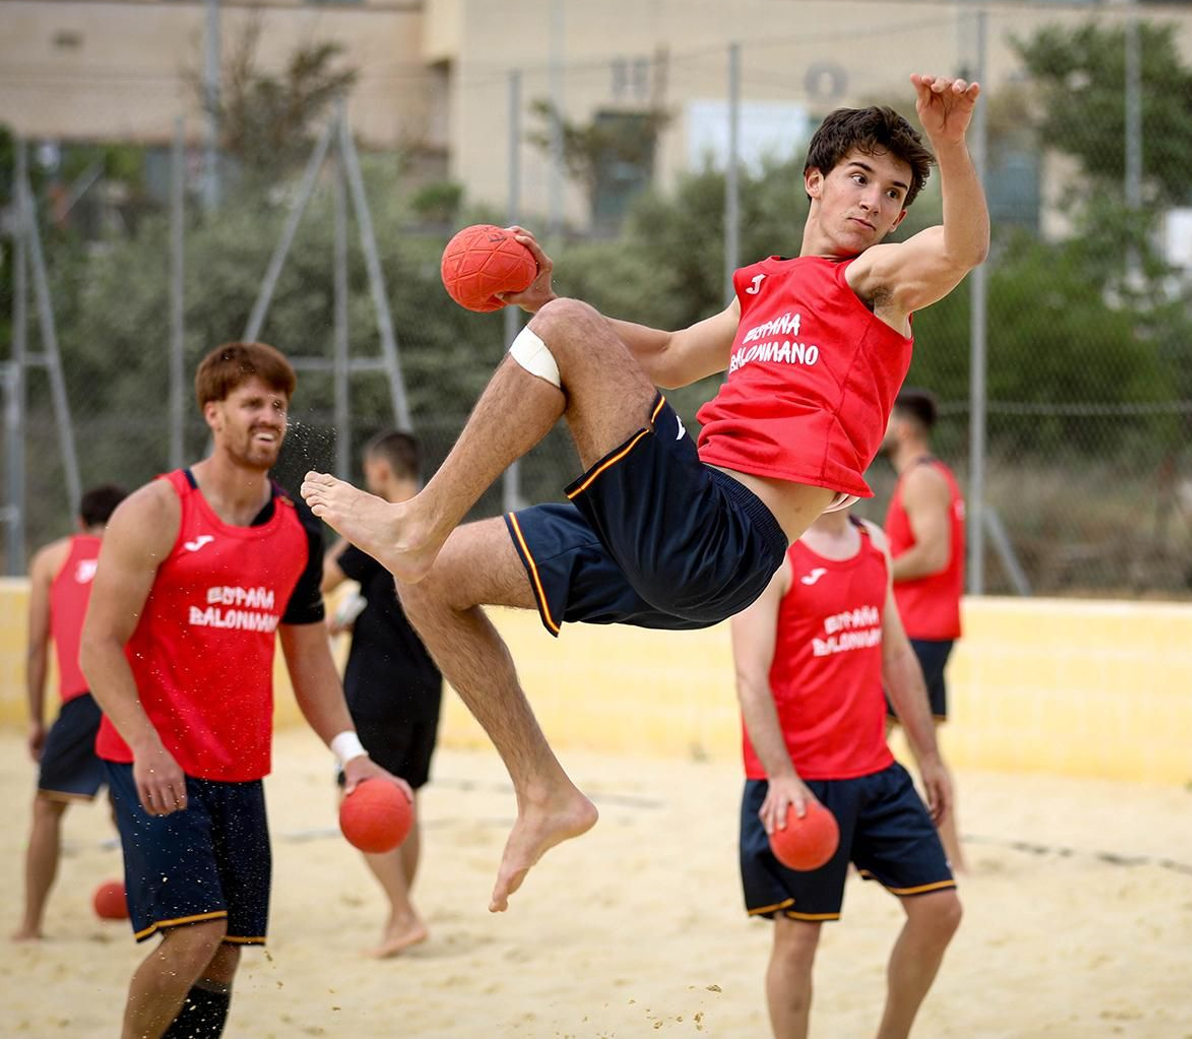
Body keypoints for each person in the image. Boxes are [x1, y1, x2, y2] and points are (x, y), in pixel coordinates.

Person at [301, 74, 989, 912]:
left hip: (724, 535)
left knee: (559, 341)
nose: (876, 202)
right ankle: (545, 791)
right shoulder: (770, 290)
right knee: (428, 583)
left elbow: (960, 250)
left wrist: (949, 147)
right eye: (860, 177)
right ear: (815, 178)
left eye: (894, 194)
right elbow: (662, 356)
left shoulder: (873, 283)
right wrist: (546, 303)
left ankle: (417, 519)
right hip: (672, 550)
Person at [79, 342, 410, 1039]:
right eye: (252, 404)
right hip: (154, 761)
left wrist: (353, 755)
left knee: (226, 953)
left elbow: (310, 658)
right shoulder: (157, 510)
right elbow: (98, 643)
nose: (270, 417)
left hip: (237, 763)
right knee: (195, 935)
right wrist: (145, 745)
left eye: (280, 406)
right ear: (214, 413)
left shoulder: (293, 527)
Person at [732, 509, 960, 1039]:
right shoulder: (773, 552)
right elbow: (749, 677)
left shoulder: (872, 541)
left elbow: (897, 655)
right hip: (800, 782)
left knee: (940, 910)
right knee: (799, 938)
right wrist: (782, 777)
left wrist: (929, 755)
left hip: (875, 770)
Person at [321, 429, 442, 959]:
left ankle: (401, 911)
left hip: (378, 683)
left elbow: (321, 579)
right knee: (405, 798)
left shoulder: (378, 522)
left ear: (381, 473)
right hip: (430, 679)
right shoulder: (442, 518)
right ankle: (402, 912)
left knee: (359, 793)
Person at [12, 483, 128, 942]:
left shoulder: (51, 559)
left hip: (81, 697)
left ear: (80, 522)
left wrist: (38, 719)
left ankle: (30, 924)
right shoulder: (141, 554)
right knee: (136, 811)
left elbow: (37, 648)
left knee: (46, 810)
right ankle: (159, 914)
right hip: (129, 695)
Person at [881, 388, 967, 873]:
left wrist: (871, 569)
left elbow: (933, 555)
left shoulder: (920, 480)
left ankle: (850, 854)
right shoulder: (928, 478)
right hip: (928, 630)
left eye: (886, 417)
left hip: (918, 633)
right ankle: (954, 860)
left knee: (866, 740)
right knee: (924, 749)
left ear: (906, 428)